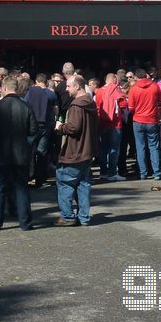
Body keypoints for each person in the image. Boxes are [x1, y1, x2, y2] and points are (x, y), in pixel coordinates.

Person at [0, 77, 38, 230]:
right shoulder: (26, 106)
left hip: (0, 154)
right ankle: (25, 223)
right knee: (21, 188)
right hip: (20, 154)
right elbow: (34, 131)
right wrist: (25, 144)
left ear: (5, 88)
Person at [54, 75, 99, 226]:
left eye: (68, 86)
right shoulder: (90, 102)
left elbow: (73, 127)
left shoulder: (76, 106)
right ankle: (84, 217)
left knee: (65, 182)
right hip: (87, 151)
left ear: (77, 86)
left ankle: (67, 217)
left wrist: (60, 127)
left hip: (75, 152)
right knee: (83, 184)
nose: (66, 89)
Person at [127, 68, 161, 181]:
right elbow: (160, 102)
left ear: (136, 77)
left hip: (138, 120)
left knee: (140, 147)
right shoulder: (154, 86)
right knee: (153, 147)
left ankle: (143, 173)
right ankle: (156, 172)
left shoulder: (133, 89)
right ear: (146, 76)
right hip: (152, 120)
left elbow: (131, 108)